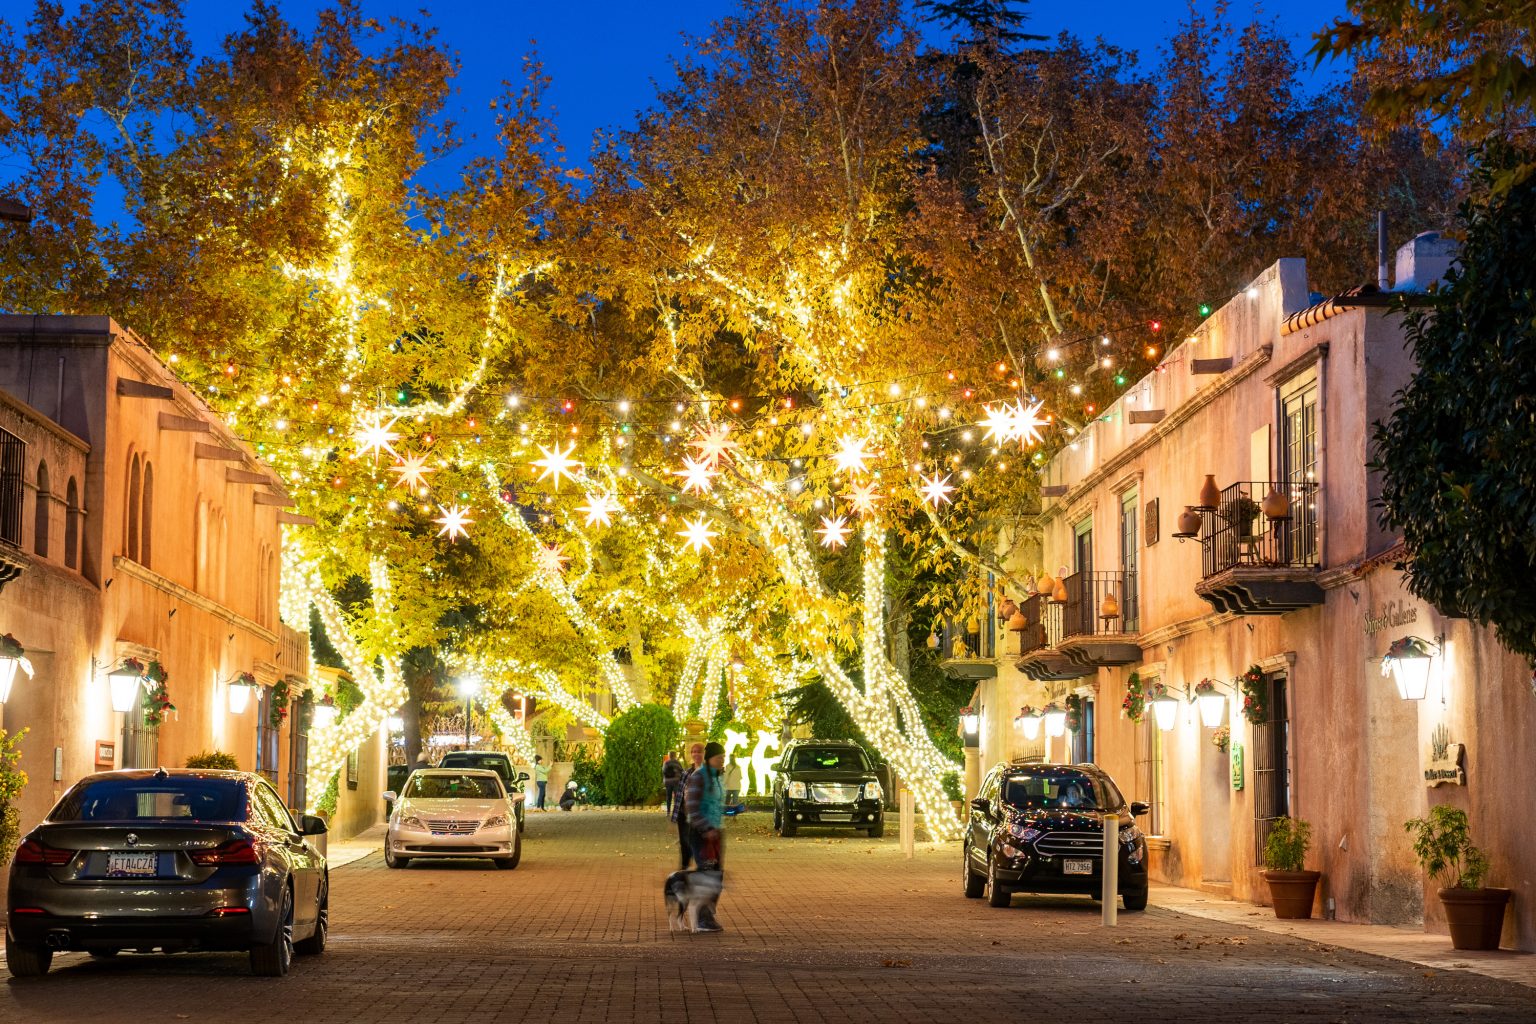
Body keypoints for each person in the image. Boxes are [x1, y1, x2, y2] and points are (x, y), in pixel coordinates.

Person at [684, 741, 727, 932]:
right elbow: (692, 806)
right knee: (707, 873)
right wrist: (705, 828)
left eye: (723, 757)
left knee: (716, 875)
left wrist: (734, 810)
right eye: (719, 757)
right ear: (710, 759)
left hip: (716, 831)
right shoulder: (699, 777)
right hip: (700, 832)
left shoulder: (717, 777)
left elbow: (717, 804)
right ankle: (702, 918)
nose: (722, 760)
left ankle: (707, 914)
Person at [671, 742, 703, 870]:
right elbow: (680, 793)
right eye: (693, 751)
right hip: (684, 812)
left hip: (699, 814)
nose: (695, 754)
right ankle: (685, 866)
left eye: (698, 751)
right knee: (684, 841)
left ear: (704, 753)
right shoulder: (687, 772)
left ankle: (703, 867)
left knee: (698, 842)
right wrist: (675, 815)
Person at [662, 752, 683, 816]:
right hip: (676, 782)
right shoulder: (678, 762)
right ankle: (676, 812)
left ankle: (668, 812)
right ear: (675, 755)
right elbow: (682, 771)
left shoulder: (666, 762)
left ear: (669, 755)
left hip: (668, 782)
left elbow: (663, 771)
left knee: (668, 797)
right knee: (676, 797)